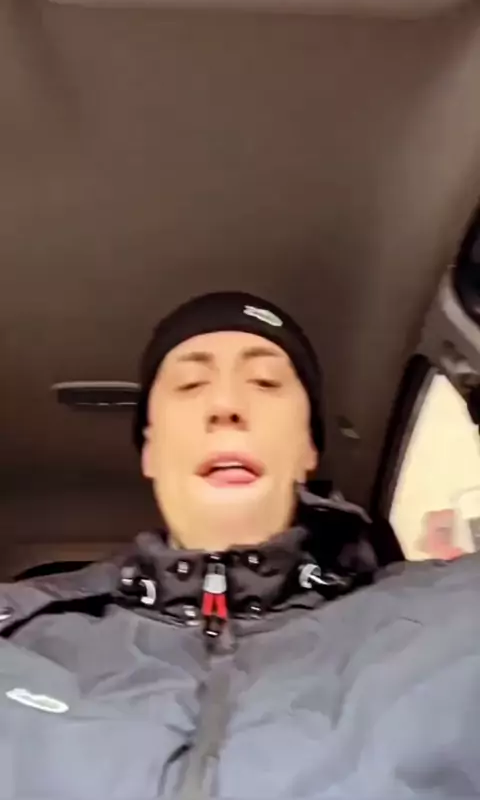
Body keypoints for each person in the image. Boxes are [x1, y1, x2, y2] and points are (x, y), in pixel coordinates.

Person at [1, 291, 479, 800]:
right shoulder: (18, 631)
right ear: (150, 449)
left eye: (266, 382)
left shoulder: (455, 616)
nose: (226, 407)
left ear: (309, 448)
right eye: (190, 384)